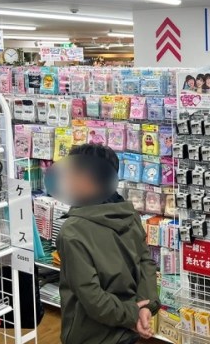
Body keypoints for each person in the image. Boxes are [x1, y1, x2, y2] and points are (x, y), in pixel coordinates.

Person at [54, 144, 160, 344]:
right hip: (127, 332)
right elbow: (146, 262)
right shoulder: (128, 213)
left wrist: (132, 315)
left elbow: (91, 296)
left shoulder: (72, 231)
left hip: (91, 336)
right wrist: (145, 307)